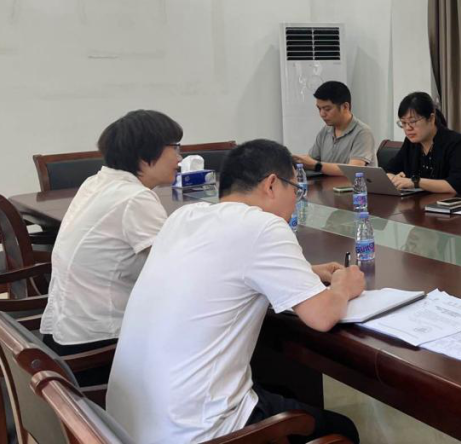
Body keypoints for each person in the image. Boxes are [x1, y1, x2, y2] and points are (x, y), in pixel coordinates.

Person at [107, 139, 364, 444]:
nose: (296, 202)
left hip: (127, 426)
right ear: (271, 184)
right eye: (296, 190)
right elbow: (322, 316)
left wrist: (304, 272)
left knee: (283, 391)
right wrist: (344, 286)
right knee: (343, 430)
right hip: (197, 431)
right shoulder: (264, 226)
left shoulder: (184, 217)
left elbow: (222, 268)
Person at [39, 110, 182, 381]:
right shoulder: (134, 198)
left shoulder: (97, 182)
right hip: (98, 349)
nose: (179, 158)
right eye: (174, 148)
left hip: (63, 335)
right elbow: (176, 274)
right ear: (145, 153)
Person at [384, 92, 461, 196]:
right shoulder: (411, 143)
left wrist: (415, 182)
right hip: (424, 203)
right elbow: (388, 170)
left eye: (413, 122)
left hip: (460, 203)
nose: (408, 128)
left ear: (431, 119)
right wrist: (394, 179)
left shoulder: (457, 143)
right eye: (403, 123)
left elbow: (456, 186)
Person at [292, 81, 376, 176]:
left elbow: (355, 170)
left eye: (327, 109)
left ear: (345, 107)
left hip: (353, 186)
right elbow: (311, 161)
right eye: (319, 109)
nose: (322, 114)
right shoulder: (325, 131)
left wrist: (317, 166)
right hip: (326, 184)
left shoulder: (363, 132)